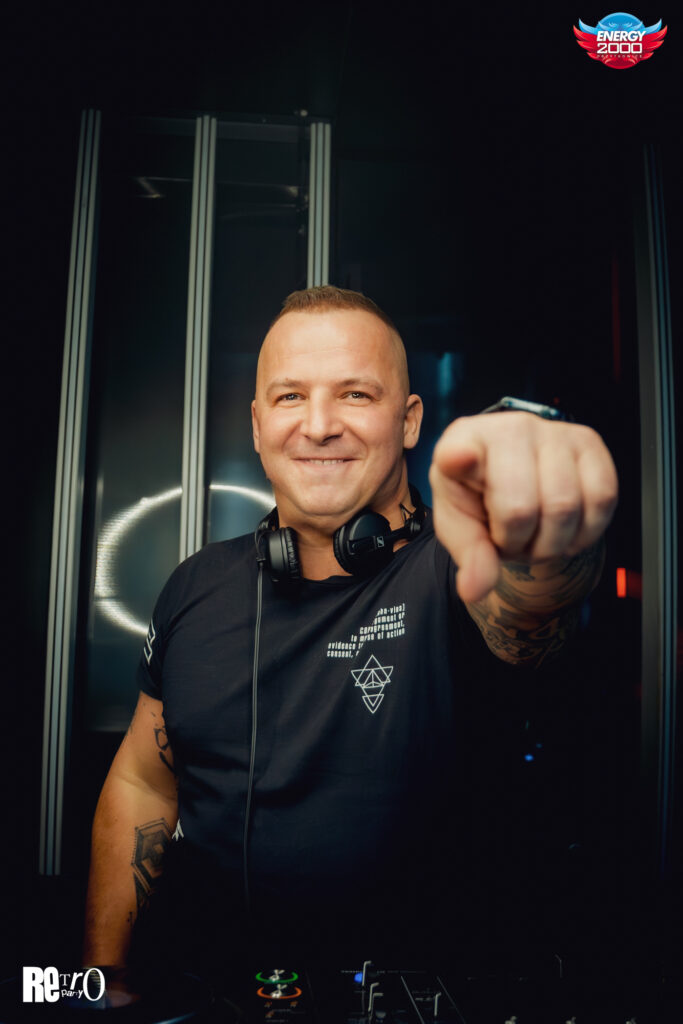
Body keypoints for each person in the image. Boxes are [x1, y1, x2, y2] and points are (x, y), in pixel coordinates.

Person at [83, 286, 618, 973]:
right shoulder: (195, 585)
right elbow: (143, 782)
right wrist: (102, 980)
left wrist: (542, 522)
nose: (318, 426)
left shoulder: (459, 569)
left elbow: (535, 596)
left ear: (409, 420)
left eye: (355, 395)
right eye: (290, 397)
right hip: (217, 992)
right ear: (257, 425)